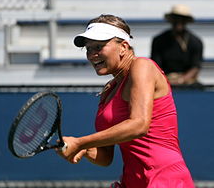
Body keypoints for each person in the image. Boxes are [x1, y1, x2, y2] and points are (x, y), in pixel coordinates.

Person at [57, 14, 195, 188]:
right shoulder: (109, 91)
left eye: (99, 46)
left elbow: (139, 125)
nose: (92, 55)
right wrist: (83, 150)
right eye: (88, 49)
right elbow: (106, 157)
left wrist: (81, 142)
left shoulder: (142, 66)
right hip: (133, 180)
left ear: (123, 47)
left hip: (165, 178)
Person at [151, 4, 203, 85]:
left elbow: (195, 67)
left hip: (188, 82)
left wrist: (182, 80)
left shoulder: (195, 42)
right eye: (176, 19)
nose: (178, 22)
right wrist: (166, 81)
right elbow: (155, 66)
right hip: (164, 80)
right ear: (171, 20)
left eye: (182, 19)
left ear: (186, 21)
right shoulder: (159, 40)